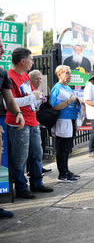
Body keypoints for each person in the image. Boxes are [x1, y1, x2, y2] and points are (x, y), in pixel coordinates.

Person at [6, 47, 54, 199]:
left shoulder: (25, 76)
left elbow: (33, 95)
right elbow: (10, 102)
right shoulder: (9, 76)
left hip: (32, 120)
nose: (32, 62)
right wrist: (33, 97)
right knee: (20, 156)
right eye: (31, 59)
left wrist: (38, 98)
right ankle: (20, 187)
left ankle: (36, 183)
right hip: (18, 122)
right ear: (22, 61)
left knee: (37, 153)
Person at [0, 38, 25, 218]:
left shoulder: (2, 73)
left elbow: (9, 98)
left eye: (2, 46)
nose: (3, 49)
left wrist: (18, 113)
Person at [50, 65, 81, 182]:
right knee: (62, 148)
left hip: (71, 119)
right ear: (59, 75)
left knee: (67, 148)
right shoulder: (57, 88)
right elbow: (55, 106)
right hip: (63, 120)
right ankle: (62, 174)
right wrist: (70, 100)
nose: (70, 75)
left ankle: (66, 171)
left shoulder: (68, 88)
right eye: (67, 73)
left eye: (70, 73)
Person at [28, 69, 52, 174]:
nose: (39, 81)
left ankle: (39, 167)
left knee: (41, 146)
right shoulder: (29, 91)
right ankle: (31, 170)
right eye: (36, 79)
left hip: (42, 123)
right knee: (33, 148)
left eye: (40, 79)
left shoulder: (40, 91)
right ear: (31, 79)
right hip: (33, 122)